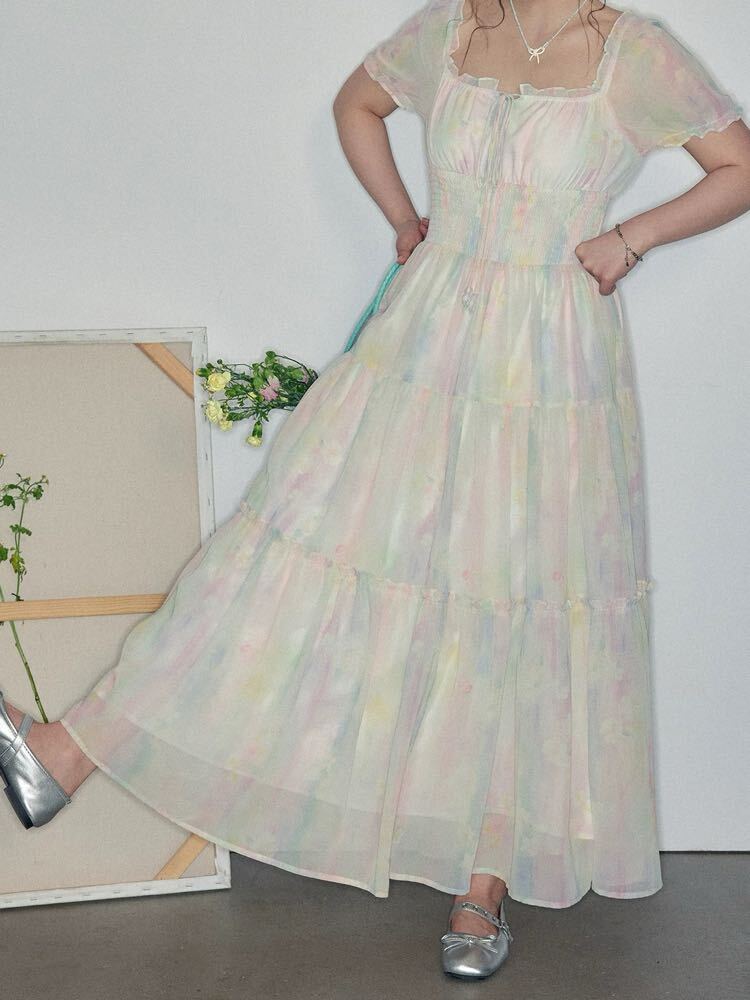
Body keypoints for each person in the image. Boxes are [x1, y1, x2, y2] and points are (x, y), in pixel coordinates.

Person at [2, 0, 749, 982]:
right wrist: (404, 221)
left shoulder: (634, 53)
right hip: (427, 331)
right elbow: (357, 105)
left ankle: (482, 887)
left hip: (550, 357)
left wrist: (635, 235)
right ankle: (65, 753)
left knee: (517, 598)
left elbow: (740, 167)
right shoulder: (451, 30)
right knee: (291, 544)